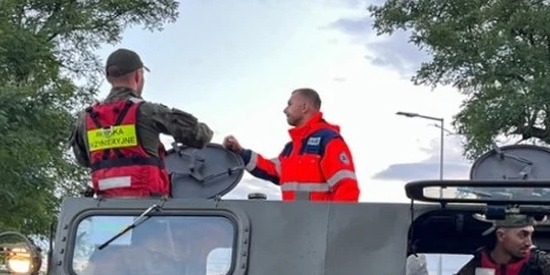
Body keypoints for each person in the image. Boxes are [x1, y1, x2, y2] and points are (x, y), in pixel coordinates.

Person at [70, 48, 213, 198]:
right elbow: (200, 137)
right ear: (138, 75)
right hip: (149, 212)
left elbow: (84, 160)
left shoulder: (86, 119)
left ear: (108, 77)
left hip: (105, 212)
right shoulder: (147, 111)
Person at [222, 88, 359, 201]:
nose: (285, 110)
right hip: (294, 225)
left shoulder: (329, 140)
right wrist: (240, 152)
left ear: (304, 107)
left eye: (290, 104)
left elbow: (347, 189)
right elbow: (271, 169)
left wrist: (334, 230)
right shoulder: (291, 148)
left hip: (320, 228)